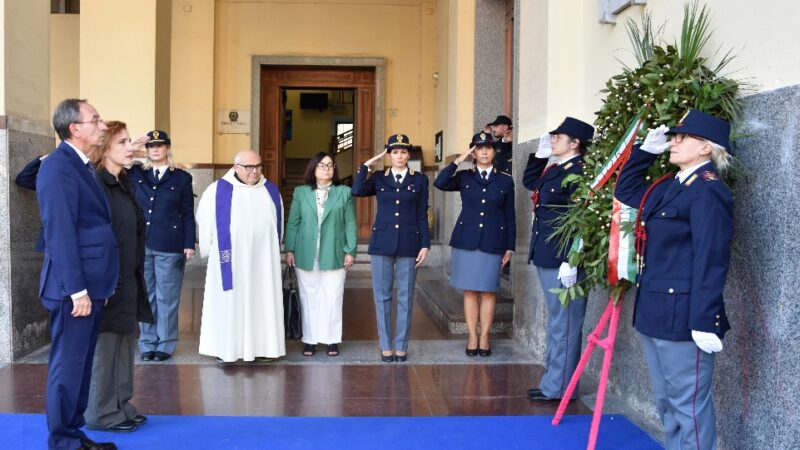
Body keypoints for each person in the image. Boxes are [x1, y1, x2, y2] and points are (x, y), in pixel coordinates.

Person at [614, 109, 733, 450]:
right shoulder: (671, 186)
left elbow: (712, 260)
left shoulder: (708, 192)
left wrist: (704, 320)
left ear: (706, 148)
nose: (674, 141)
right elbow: (626, 192)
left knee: (689, 407)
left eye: (683, 137)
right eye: (674, 136)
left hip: (683, 318)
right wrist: (644, 154)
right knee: (667, 404)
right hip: (655, 311)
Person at [37, 98, 119, 450]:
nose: (102, 125)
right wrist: (77, 291)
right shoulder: (58, 167)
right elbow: (60, 234)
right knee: (68, 369)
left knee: (81, 367)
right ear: (75, 128)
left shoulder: (81, 165)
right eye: (96, 120)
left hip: (90, 285)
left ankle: (73, 434)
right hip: (73, 290)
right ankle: (63, 442)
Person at [84, 121, 154, 432]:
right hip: (107, 281)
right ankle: (101, 413)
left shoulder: (123, 181)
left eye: (130, 141)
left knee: (125, 344)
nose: (131, 147)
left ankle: (121, 404)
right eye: (122, 142)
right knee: (106, 348)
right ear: (103, 149)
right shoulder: (96, 182)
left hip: (128, 275)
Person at [523, 117, 594, 403]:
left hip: (563, 257)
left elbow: (585, 219)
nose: (552, 141)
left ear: (575, 143)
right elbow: (531, 183)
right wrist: (539, 157)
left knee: (564, 324)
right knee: (557, 321)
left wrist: (573, 258)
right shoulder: (557, 168)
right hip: (547, 253)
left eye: (557, 137)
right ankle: (555, 381)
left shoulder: (581, 171)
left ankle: (560, 388)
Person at [196, 149, 286, 363]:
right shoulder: (217, 190)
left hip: (262, 262)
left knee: (262, 298)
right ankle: (227, 347)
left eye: (258, 166)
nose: (254, 171)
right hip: (230, 260)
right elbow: (204, 220)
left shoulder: (271, 191)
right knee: (229, 299)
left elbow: (278, 226)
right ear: (236, 167)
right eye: (249, 167)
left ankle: (265, 347)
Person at [434, 132, 515, 357]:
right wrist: (459, 160)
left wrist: (509, 247)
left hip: (493, 241)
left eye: (488, 147)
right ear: (474, 152)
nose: (485, 151)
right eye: (479, 148)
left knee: (488, 291)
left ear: (494, 151)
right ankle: (472, 336)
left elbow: (510, 216)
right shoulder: (464, 177)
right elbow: (439, 182)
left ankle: (485, 337)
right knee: (469, 291)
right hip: (466, 240)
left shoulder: (505, 180)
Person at [352, 134, 430, 363]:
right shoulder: (378, 178)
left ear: (408, 155)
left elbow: (421, 214)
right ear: (388, 155)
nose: (399, 156)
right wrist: (365, 167)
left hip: (409, 243)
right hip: (382, 244)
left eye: (403, 152)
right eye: (394, 152)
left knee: (406, 297)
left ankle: (401, 345)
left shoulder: (420, 180)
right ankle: (386, 345)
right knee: (382, 296)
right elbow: (357, 190)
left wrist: (425, 244)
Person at [129, 130, 196, 362]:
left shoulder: (181, 178)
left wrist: (189, 243)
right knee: (146, 295)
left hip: (170, 244)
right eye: (151, 147)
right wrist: (132, 147)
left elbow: (187, 213)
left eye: (160, 145)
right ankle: (147, 343)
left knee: (167, 296)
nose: (155, 149)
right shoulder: (136, 173)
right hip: (141, 242)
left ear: (168, 148)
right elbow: (111, 159)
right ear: (146, 150)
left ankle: (165, 343)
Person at [284, 152, 357, 357]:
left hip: (334, 252)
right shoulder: (300, 192)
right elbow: (293, 223)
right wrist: (289, 249)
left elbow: (351, 224)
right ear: (313, 169)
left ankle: (332, 340)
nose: (327, 169)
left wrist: (350, 250)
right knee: (309, 297)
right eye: (322, 165)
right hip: (305, 253)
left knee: (333, 297)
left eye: (330, 165)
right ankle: (310, 340)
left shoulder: (344, 192)